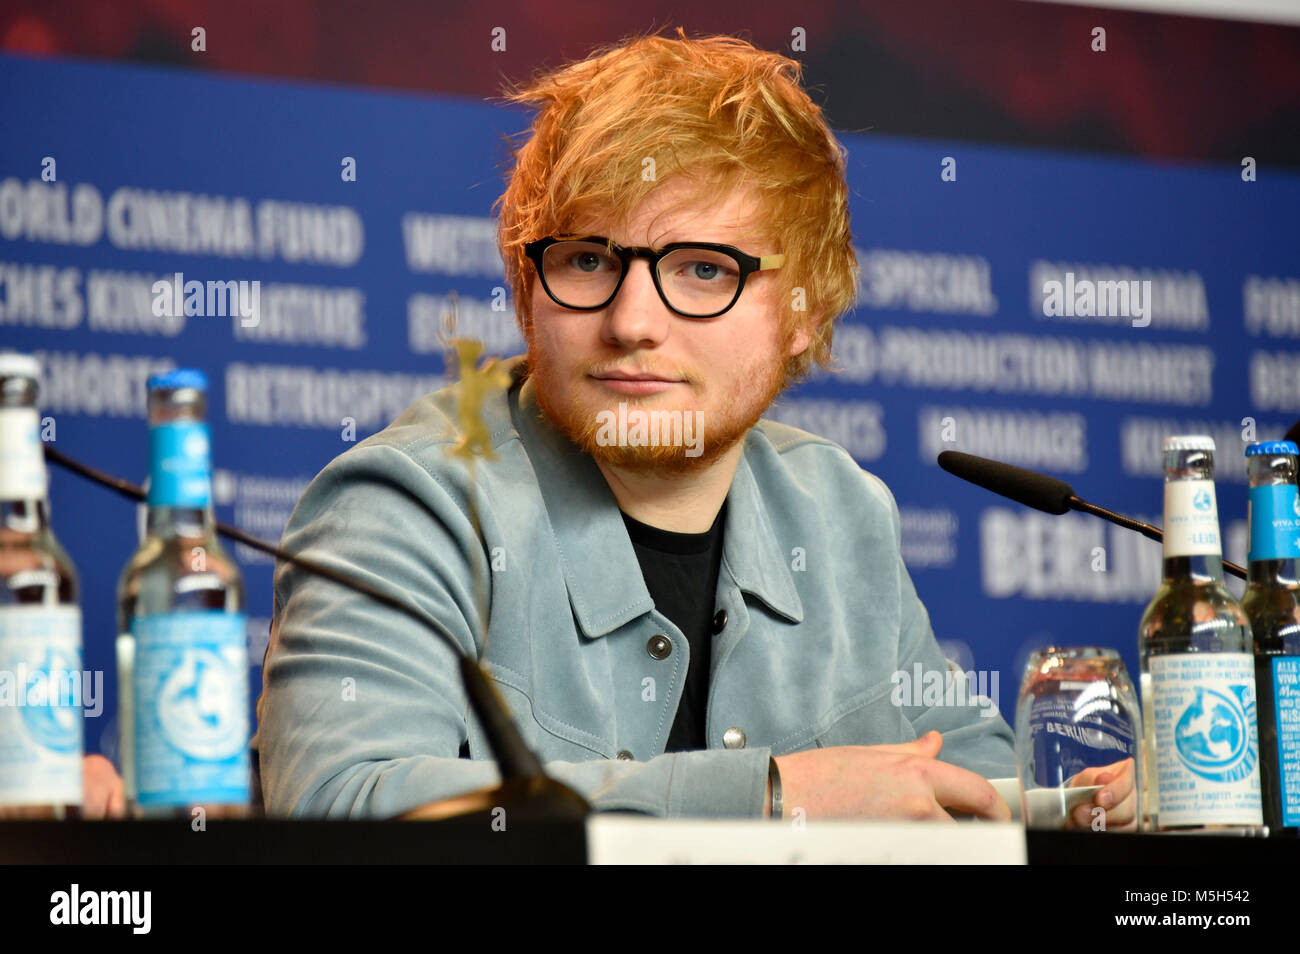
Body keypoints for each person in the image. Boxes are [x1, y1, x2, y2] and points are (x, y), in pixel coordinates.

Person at [253, 30, 1135, 827]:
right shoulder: (403, 502)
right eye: (588, 259)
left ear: (804, 312)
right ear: (527, 291)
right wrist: (771, 797)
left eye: (703, 270)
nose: (633, 319)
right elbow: (340, 807)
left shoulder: (836, 509)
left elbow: (961, 772)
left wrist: (1091, 805)